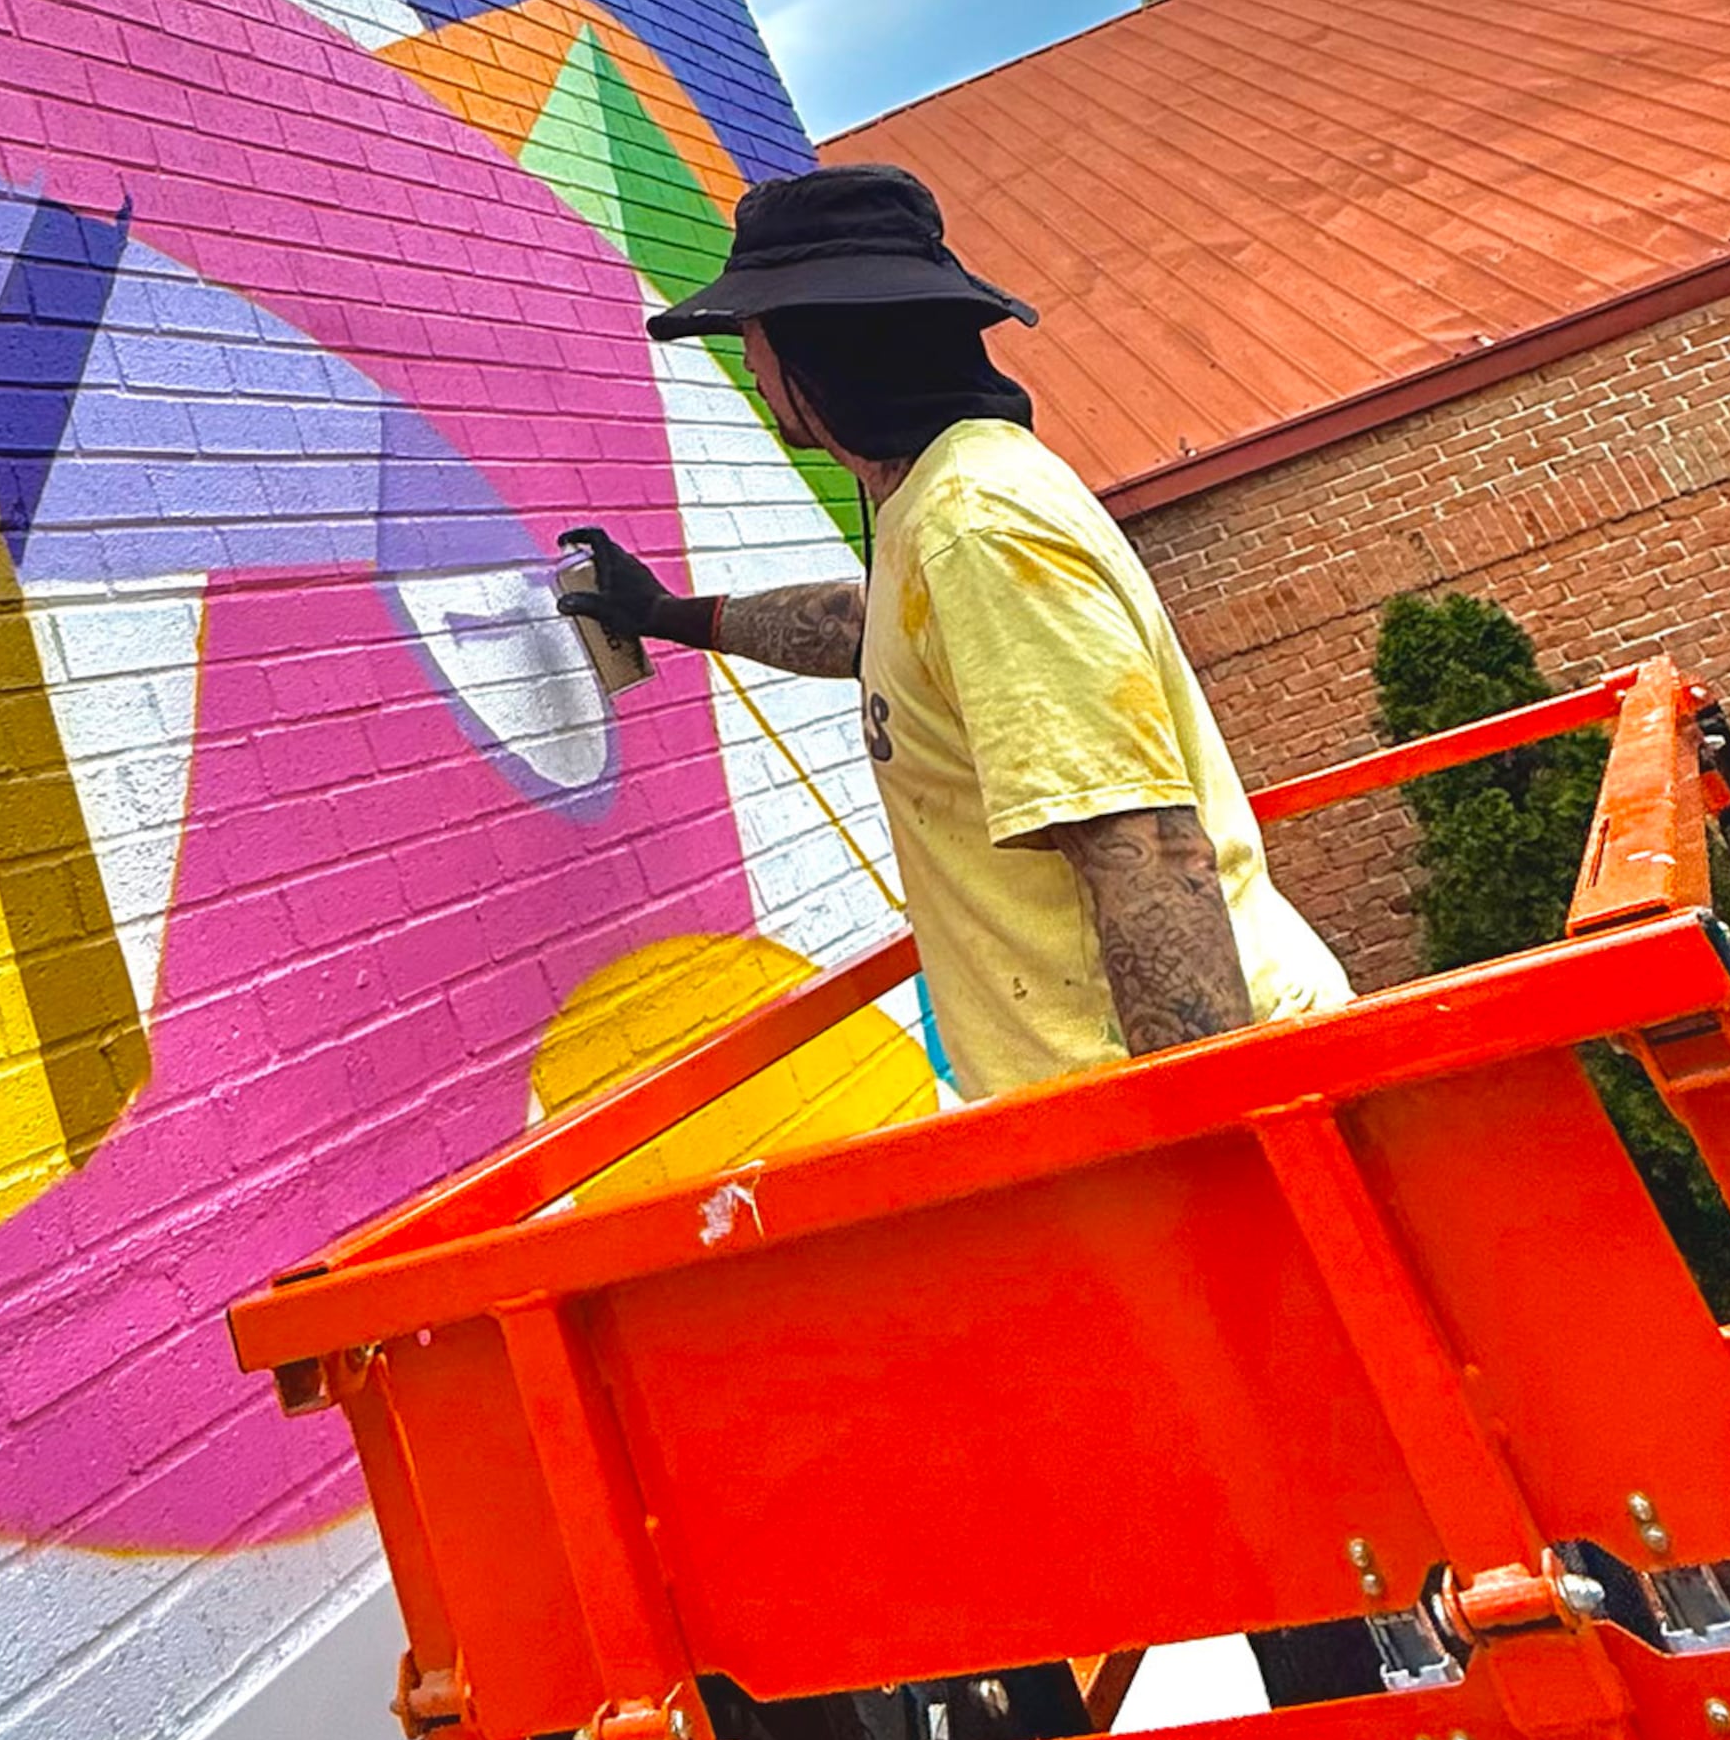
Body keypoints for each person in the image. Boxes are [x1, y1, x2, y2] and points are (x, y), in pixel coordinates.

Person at [555, 161, 1349, 1103]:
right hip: (1137, 1093)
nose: (751, 368)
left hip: (1173, 1098)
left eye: (755, 338)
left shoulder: (978, 529)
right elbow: (870, 631)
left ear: (819, 349)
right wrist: (666, 617)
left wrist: (1224, 1138)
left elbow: (1145, 848)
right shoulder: (945, 504)